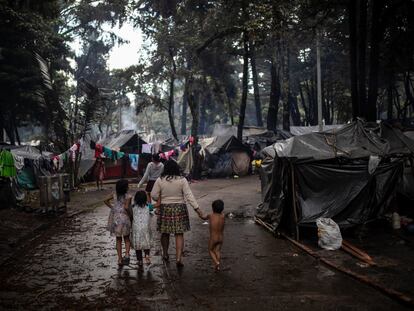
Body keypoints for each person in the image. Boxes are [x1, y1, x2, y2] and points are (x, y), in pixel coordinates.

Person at [151, 159, 204, 267]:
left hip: (165, 209)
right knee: (179, 234)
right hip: (179, 208)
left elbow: (153, 195)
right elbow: (189, 196)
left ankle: (165, 254)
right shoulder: (182, 180)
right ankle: (178, 258)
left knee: (164, 233)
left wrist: (160, 199)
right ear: (176, 168)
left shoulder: (160, 180)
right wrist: (197, 209)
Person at [105, 179, 132, 266]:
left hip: (116, 220)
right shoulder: (128, 196)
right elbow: (127, 207)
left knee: (118, 239)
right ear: (126, 188)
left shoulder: (114, 195)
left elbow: (105, 200)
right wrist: (131, 216)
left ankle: (120, 259)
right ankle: (127, 254)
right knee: (127, 238)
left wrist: (112, 207)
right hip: (125, 219)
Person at [200, 200, 225, 271]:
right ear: (222, 208)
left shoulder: (210, 215)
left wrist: (199, 213)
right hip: (221, 238)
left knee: (210, 250)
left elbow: (203, 217)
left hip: (213, 238)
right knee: (217, 251)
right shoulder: (223, 216)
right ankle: (217, 266)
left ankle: (216, 262)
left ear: (213, 208)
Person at [130, 190, 152, 267]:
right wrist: (150, 195)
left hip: (136, 228)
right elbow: (154, 204)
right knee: (146, 243)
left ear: (135, 199)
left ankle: (139, 260)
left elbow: (130, 214)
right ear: (145, 199)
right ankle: (147, 256)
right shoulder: (148, 206)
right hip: (146, 228)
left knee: (138, 246)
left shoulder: (133, 207)